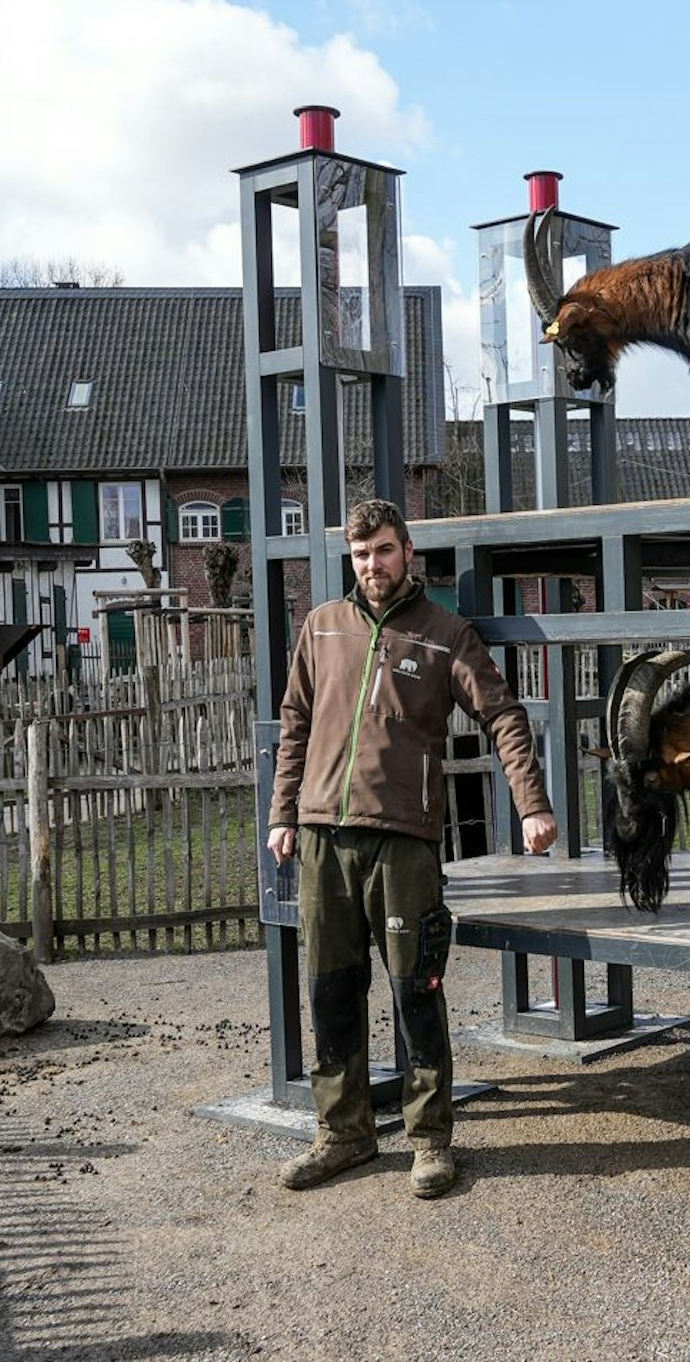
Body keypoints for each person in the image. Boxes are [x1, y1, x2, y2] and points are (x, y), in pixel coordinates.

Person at [267, 499, 556, 1199]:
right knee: (331, 990)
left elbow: (502, 715)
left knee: (415, 989)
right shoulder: (321, 627)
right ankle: (344, 1133)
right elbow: (295, 722)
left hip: (404, 842)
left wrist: (532, 804)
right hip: (322, 837)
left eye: (384, 551)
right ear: (351, 558)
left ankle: (429, 1140)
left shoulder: (445, 635)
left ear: (408, 553)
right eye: (361, 554)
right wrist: (283, 813)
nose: (373, 564)